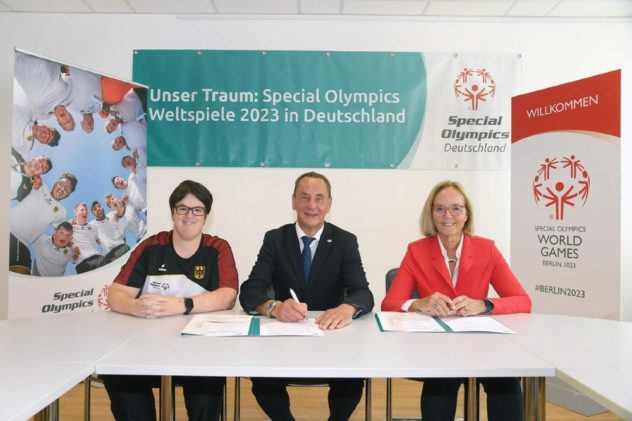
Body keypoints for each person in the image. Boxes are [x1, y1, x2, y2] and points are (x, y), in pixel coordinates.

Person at [381, 180, 532, 421]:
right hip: (438, 348)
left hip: (481, 345)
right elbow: (389, 303)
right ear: (431, 214)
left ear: (466, 214)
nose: (447, 216)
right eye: (440, 209)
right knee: (439, 385)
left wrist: (484, 304)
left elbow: (523, 301)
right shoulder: (416, 250)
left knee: (506, 383)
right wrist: (418, 303)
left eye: (456, 208)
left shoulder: (487, 249)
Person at [239, 171, 374, 421]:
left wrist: (348, 308)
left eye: (319, 198)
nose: (312, 205)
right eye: (304, 197)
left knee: (352, 380)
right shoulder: (275, 239)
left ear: (329, 204)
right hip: (283, 339)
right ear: (293, 202)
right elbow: (250, 290)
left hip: (332, 339)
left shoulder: (345, 241)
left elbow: (363, 293)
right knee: (263, 380)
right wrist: (274, 307)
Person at [103, 180, 238, 421]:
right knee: (119, 377)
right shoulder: (151, 247)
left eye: (197, 210)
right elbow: (115, 293)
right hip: (147, 349)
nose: (189, 215)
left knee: (207, 391)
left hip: (198, 350)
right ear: (173, 213)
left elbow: (228, 296)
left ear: (205, 216)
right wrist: (133, 306)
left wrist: (182, 304)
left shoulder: (217, 248)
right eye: (182, 208)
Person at [9, 173, 78, 274]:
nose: (62, 189)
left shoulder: (62, 212)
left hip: (22, 243)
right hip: (8, 226)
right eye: (61, 184)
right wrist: (34, 177)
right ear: (56, 182)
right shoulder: (41, 186)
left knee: (23, 276)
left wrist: (74, 245)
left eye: (67, 189)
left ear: (68, 194)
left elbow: (61, 233)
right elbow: (27, 174)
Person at [72, 202, 105, 274]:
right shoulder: (70, 228)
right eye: (82, 210)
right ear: (75, 212)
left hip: (99, 259)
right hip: (82, 264)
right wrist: (74, 246)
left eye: (86, 210)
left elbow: (100, 240)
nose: (85, 212)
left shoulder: (93, 227)